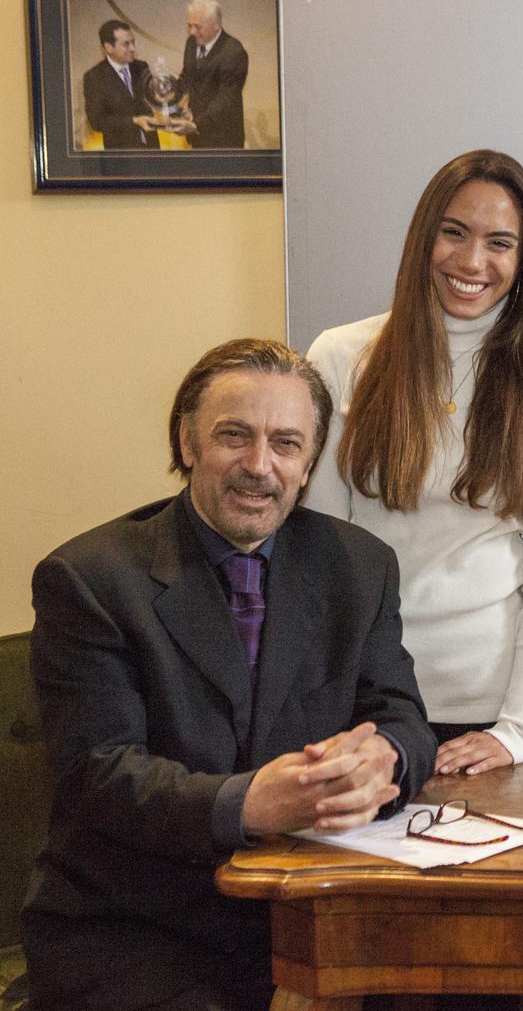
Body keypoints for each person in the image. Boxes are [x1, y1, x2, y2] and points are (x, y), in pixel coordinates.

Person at [24, 339, 436, 1011]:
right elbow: (97, 774)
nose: (259, 465)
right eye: (234, 436)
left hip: (308, 911)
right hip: (135, 928)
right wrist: (246, 805)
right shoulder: (90, 579)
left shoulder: (360, 566)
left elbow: (403, 717)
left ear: (308, 464)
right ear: (188, 443)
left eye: (286, 443)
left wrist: (383, 756)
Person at [305, 150, 523, 779]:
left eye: (499, 243)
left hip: (486, 712)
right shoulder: (339, 357)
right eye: (454, 232)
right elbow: (321, 556)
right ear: (423, 237)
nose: (471, 261)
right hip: (365, 703)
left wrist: (518, 730)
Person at [177, 0, 249, 148]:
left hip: (223, 139)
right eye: (189, 25)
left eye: (197, 26)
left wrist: (196, 124)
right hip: (197, 136)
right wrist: (169, 95)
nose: (191, 32)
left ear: (216, 25)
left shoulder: (234, 52)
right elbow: (187, 76)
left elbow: (226, 98)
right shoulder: (191, 43)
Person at [82, 19, 151, 149]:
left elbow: (153, 100)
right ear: (109, 47)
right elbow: (96, 121)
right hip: (121, 153)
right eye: (126, 44)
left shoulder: (141, 67)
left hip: (151, 149)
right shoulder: (94, 77)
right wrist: (133, 121)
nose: (133, 48)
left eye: (133, 42)